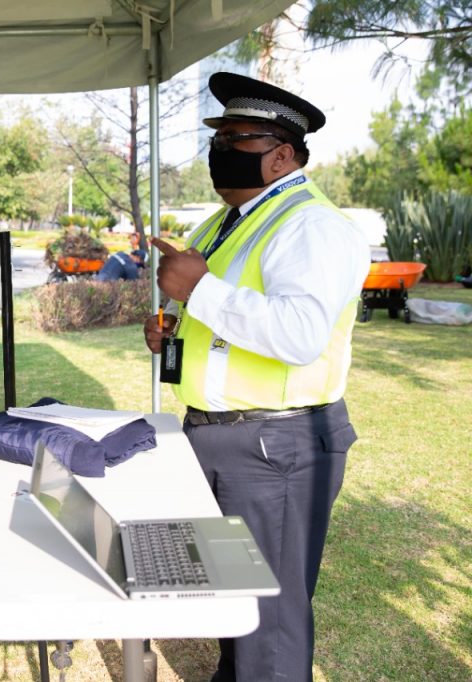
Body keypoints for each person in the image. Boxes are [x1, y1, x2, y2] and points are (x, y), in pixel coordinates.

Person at [144, 73, 369, 682]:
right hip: (216, 434)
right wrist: (175, 333)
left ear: (282, 155)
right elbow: (226, 321)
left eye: (236, 138)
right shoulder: (228, 221)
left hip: (275, 446)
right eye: (218, 137)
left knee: (269, 614)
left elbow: (299, 334)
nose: (219, 149)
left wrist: (199, 289)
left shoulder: (310, 226)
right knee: (233, 589)